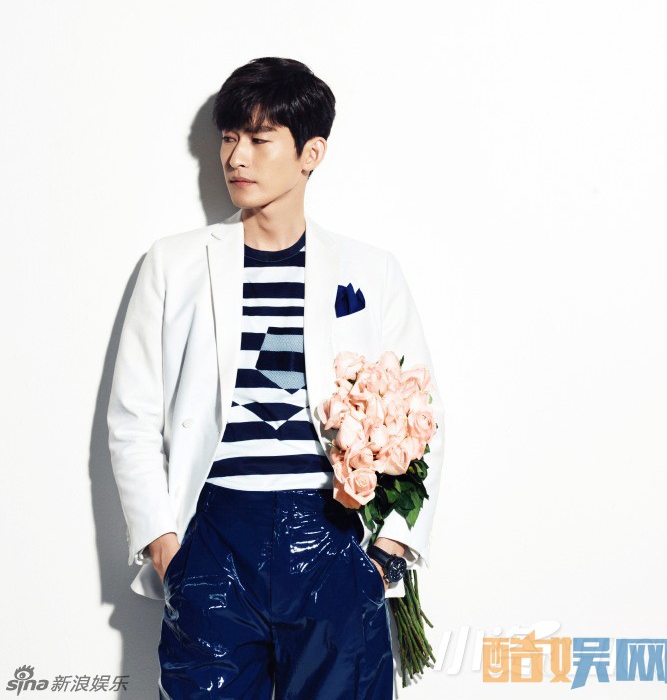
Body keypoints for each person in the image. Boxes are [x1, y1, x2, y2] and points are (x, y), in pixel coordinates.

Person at [107, 57, 444, 699]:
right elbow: (133, 418)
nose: (237, 157)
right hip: (214, 536)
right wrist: (166, 548)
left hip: (332, 535)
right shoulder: (174, 264)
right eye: (229, 138)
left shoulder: (370, 269)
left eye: (260, 140)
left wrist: (388, 555)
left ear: (311, 153)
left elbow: (422, 415)